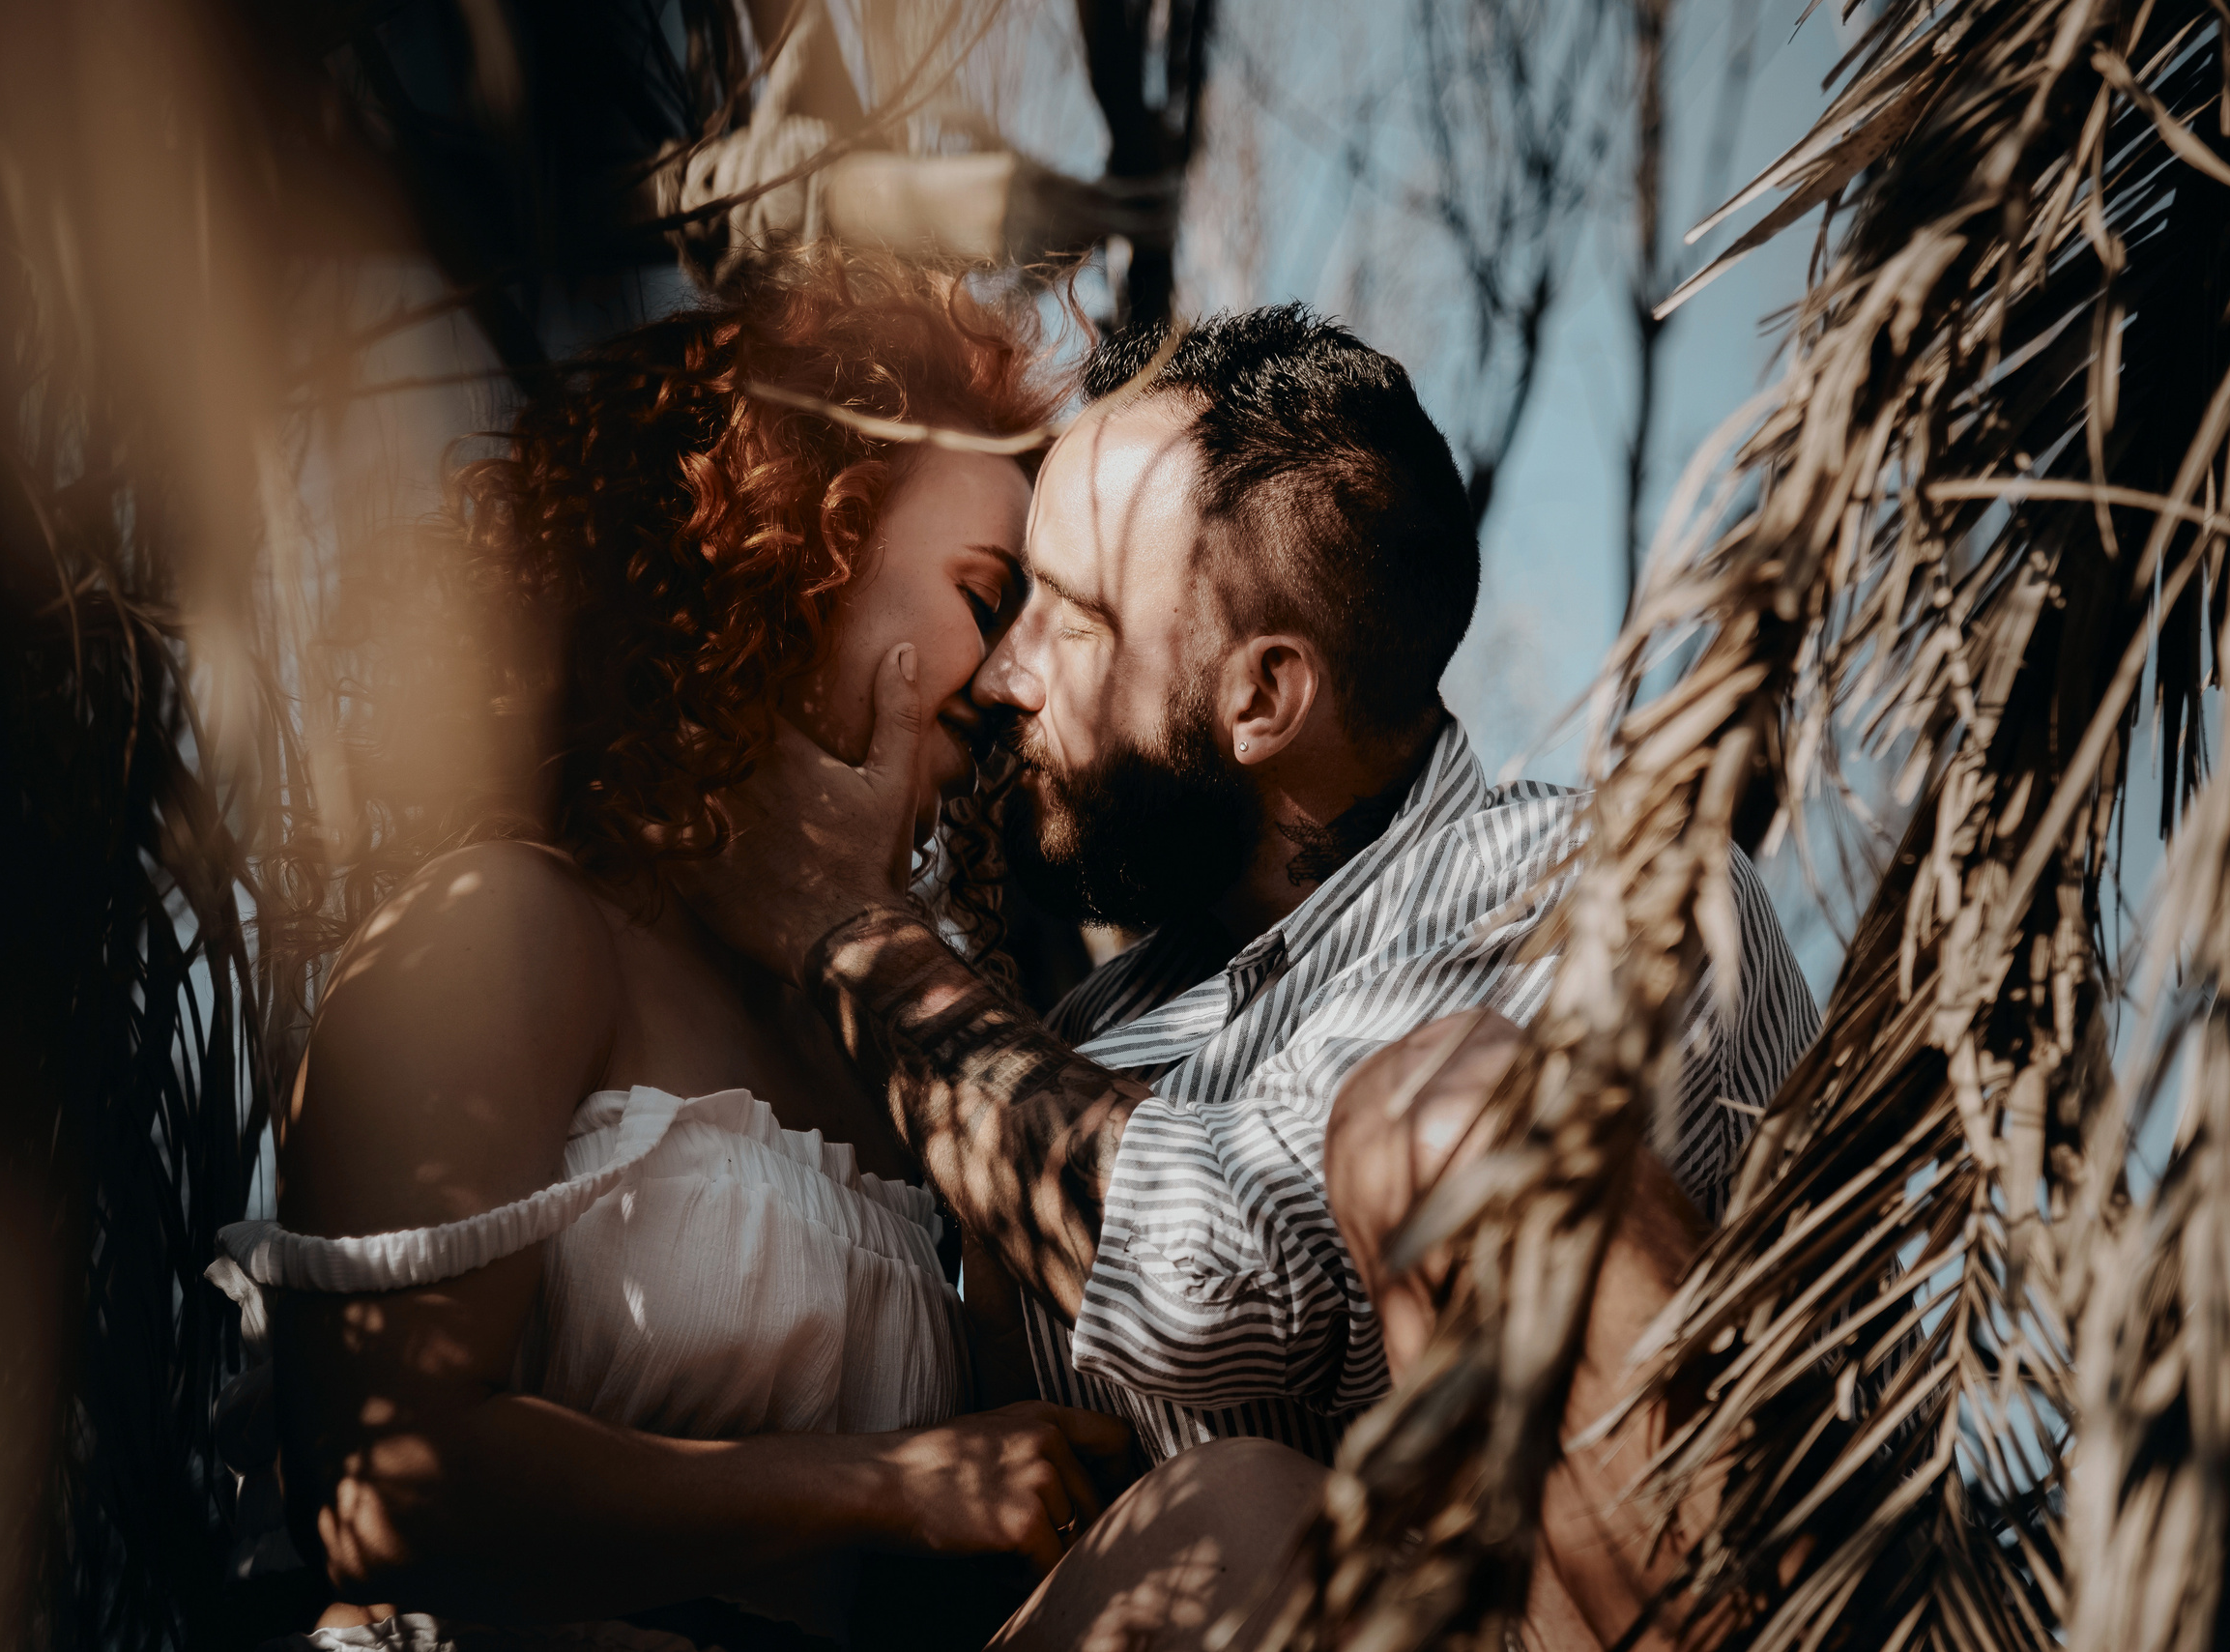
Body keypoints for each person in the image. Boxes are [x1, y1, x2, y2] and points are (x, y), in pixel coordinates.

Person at [207, 246, 1314, 1652]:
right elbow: (374, 1490)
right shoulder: (509, 931)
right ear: (798, 549)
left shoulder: (886, 1029)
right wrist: (882, 1484)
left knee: (1250, 1511)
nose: (1010, 676)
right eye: (986, 595)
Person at [684, 306, 1824, 1644]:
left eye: (1075, 620)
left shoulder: (1600, 894)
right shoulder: (1090, 1030)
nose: (1005, 671)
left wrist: (851, 929)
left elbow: (1213, 1277)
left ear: (1264, 698)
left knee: (1436, 1145)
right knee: (1225, 1517)